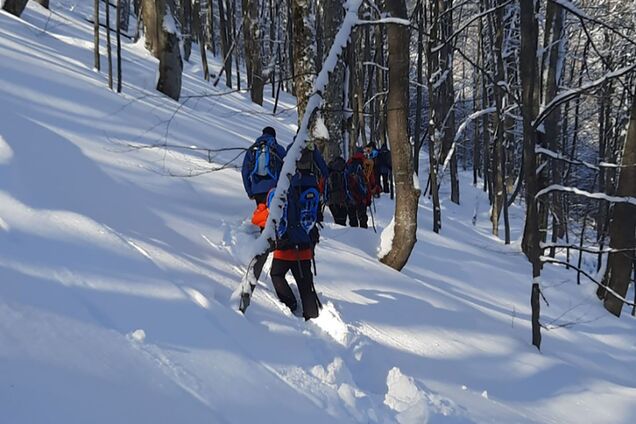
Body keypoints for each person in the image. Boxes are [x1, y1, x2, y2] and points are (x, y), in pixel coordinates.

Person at [253, 147, 323, 320]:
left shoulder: (287, 185)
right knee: (305, 283)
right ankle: (312, 314)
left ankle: (290, 306)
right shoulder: (313, 183)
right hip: (306, 242)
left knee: (277, 274)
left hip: (287, 243)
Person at [241, 127, 287, 205]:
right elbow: (286, 169)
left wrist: (250, 191)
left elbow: (245, 172)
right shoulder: (279, 149)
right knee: (273, 215)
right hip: (274, 189)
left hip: (257, 189)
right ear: (274, 136)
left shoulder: (253, 150)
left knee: (261, 213)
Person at [346, 149, 372, 228]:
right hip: (361, 197)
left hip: (350, 195)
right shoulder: (364, 164)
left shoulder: (348, 163)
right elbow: (367, 183)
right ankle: (364, 234)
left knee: (352, 218)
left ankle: (354, 235)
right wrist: (368, 199)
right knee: (362, 218)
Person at [325, 156, 348, 226]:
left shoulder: (330, 170)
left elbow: (326, 186)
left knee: (337, 221)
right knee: (342, 221)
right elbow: (346, 186)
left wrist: (326, 199)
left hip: (331, 200)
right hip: (342, 199)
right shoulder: (343, 171)